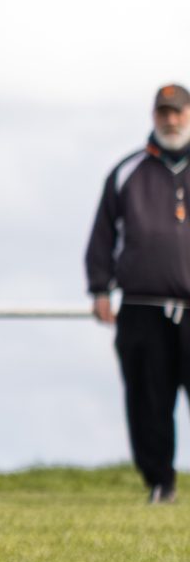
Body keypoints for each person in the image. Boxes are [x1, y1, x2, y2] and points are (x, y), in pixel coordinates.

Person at [86, 83, 190, 503]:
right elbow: (102, 236)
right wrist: (99, 288)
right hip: (142, 308)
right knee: (148, 402)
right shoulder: (126, 172)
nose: (171, 120)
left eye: (178, 112)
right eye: (164, 112)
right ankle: (160, 483)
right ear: (153, 116)